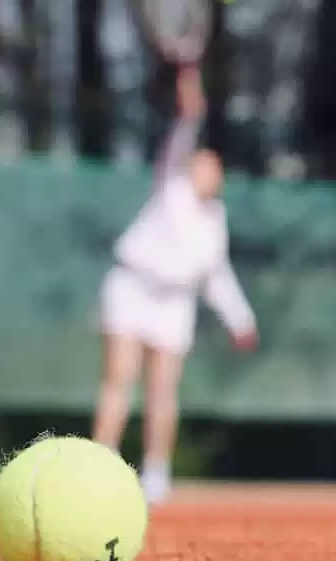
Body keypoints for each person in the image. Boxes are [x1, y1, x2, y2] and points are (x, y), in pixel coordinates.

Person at [91, 65, 259, 506]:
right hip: (131, 287)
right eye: (203, 165)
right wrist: (190, 97)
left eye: (215, 168)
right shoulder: (171, 185)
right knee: (118, 380)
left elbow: (216, 275)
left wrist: (241, 320)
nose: (209, 171)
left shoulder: (214, 220)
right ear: (189, 168)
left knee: (163, 390)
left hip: (174, 304)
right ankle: (99, 465)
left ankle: (156, 473)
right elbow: (187, 123)